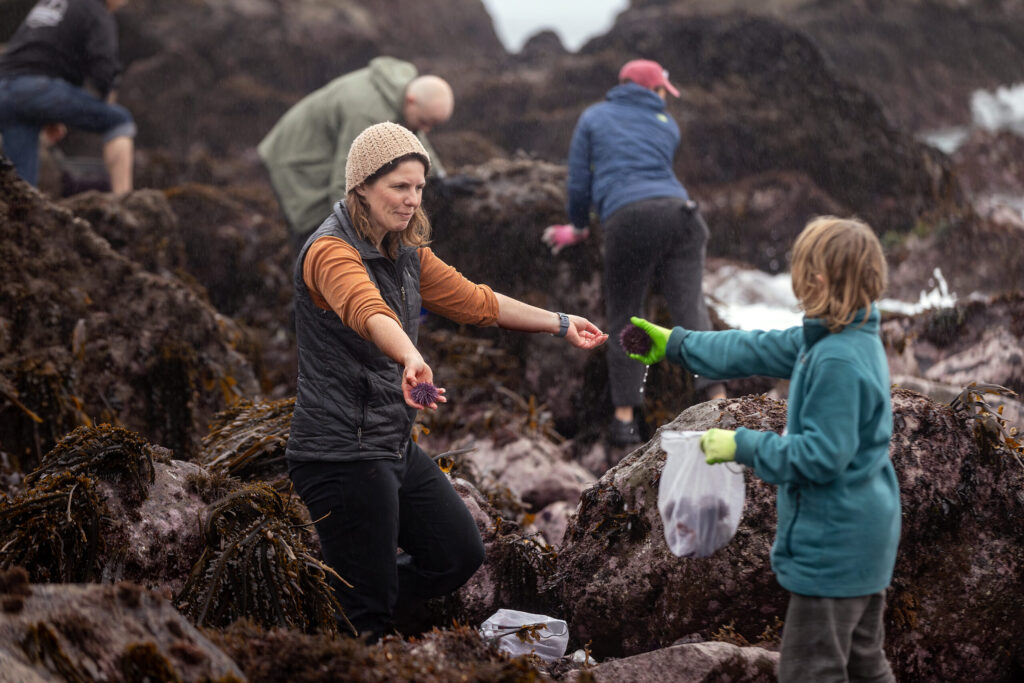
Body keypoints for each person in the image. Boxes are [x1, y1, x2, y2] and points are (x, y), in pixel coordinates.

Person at [286, 121, 607, 642]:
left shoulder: (405, 252)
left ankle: (342, 610)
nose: (412, 199)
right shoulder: (329, 251)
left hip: (389, 442)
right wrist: (410, 356)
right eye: (398, 187)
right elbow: (366, 309)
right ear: (361, 187)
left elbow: (476, 301)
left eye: (418, 188)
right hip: (339, 453)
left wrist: (561, 321)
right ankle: (354, 633)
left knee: (456, 554)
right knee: (366, 607)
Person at [629, 216, 900, 682]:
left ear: (815, 279)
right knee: (864, 664)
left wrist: (741, 443)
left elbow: (819, 457)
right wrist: (677, 343)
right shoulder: (841, 336)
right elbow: (751, 347)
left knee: (809, 671)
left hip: (833, 547)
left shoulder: (836, 359)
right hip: (864, 539)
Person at [543, 58, 723, 447]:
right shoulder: (668, 125)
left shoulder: (593, 117)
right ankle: (718, 401)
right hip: (683, 216)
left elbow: (579, 180)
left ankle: (625, 420)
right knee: (691, 311)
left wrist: (578, 226)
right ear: (652, 90)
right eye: (663, 91)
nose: (665, 98)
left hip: (628, 221)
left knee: (627, 315)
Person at [259, 56, 472, 247]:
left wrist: (439, 177)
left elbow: (413, 135)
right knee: (317, 235)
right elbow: (345, 179)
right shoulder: (365, 114)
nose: (426, 130)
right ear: (411, 101)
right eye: (425, 122)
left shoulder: (398, 89)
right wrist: (351, 233)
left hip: (322, 144)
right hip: (296, 158)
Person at [0, 0, 135, 194]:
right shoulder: (96, 11)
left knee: (22, 190)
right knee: (120, 120)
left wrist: (50, 113)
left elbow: (35, 54)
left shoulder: (50, 3)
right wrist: (106, 102)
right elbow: (104, 70)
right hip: (38, 91)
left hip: (4, 93)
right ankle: (125, 201)